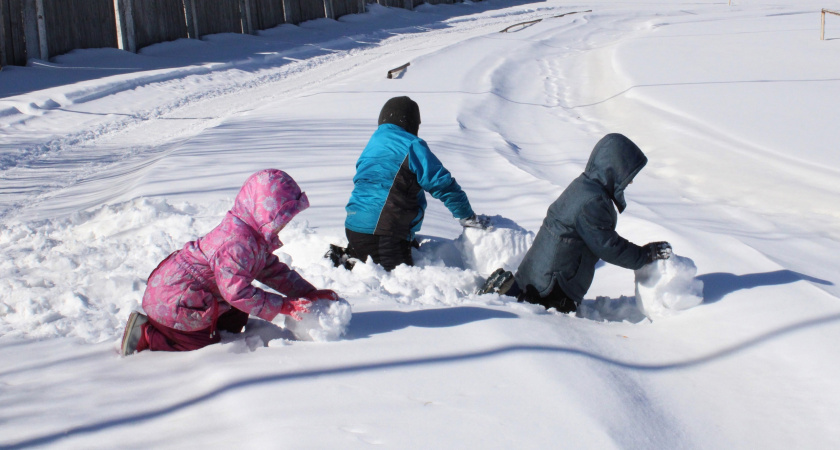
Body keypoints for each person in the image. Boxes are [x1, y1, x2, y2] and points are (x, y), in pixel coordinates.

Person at [120, 169, 339, 356]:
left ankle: (193, 327)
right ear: (263, 214)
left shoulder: (250, 236)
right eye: (280, 220)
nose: (283, 226)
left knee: (236, 318)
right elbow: (236, 293)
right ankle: (147, 335)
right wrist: (283, 306)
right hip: (173, 301)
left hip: (190, 295)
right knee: (202, 343)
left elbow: (271, 271)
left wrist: (307, 293)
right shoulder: (236, 243)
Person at [478, 133, 672, 313]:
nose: (629, 182)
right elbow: (607, 246)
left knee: (529, 300)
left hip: (537, 276)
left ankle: (510, 293)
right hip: (552, 287)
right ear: (615, 169)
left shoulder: (584, 187)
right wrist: (644, 255)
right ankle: (508, 297)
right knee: (537, 313)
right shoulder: (593, 202)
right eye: (628, 175)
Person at [329, 96, 487, 271]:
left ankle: (342, 260)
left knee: (368, 273)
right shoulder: (411, 145)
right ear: (412, 123)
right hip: (383, 233)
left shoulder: (373, 145)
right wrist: (467, 216)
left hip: (354, 226)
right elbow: (442, 183)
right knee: (396, 289)